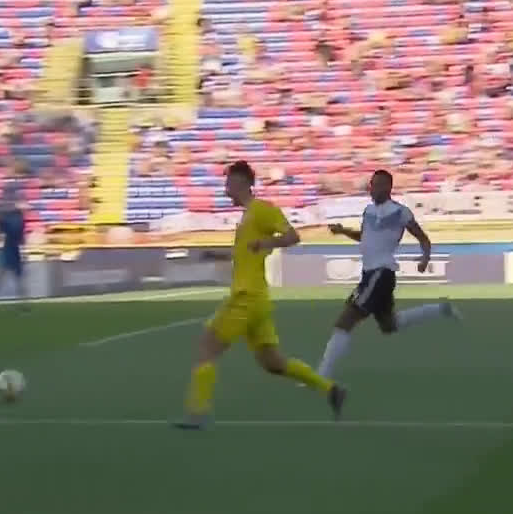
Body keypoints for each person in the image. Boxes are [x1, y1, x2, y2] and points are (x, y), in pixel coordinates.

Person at [174, 161, 343, 429]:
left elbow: (293, 236)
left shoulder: (262, 210)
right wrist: (215, 254)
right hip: (258, 299)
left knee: (207, 347)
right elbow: (246, 252)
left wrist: (267, 242)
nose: (225, 189)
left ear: (240, 183)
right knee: (273, 363)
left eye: (228, 183)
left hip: (246, 297)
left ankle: (198, 413)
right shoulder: (247, 216)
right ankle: (330, 389)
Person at [316, 170, 460, 385]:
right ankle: (440, 309)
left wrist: (425, 258)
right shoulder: (368, 210)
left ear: (387, 187)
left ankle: (321, 375)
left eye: (376, 185)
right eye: (371, 185)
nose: (371, 189)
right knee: (389, 325)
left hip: (381, 272)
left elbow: (423, 238)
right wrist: (343, 231)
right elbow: (364, 237)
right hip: (370, 273)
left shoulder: (400, 212)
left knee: (345, 321)